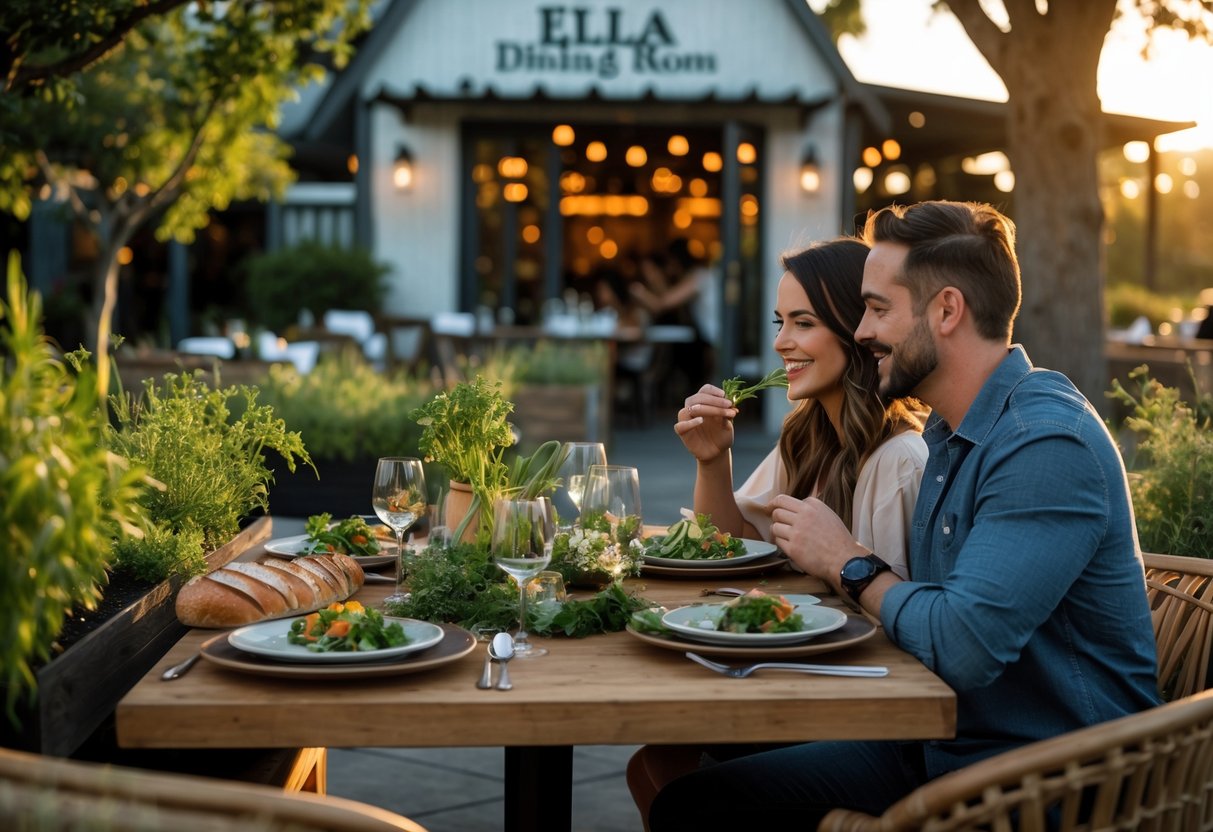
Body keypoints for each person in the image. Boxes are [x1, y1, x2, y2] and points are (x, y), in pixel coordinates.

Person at [645, 201, 1160, 829]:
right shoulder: (954, 432)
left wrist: (847, 561)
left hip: (1047, 780)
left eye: (878, 309)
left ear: (946, 310)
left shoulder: (1045, 443)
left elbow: (963, 647)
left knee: (696, 806)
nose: (861, 332)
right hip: (944, 742)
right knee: (686, 781)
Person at [626, 237, 928, 827]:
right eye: (780, 321)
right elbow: (732, 542)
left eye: (803, 322)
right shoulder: (810, 430)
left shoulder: (899, 459)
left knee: (675, 778)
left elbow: (897, 630)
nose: (780, 343)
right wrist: (713, 462)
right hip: (802, 674)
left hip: (859, 708)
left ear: (854, 329)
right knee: (654, 762)